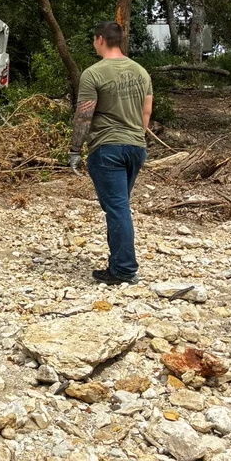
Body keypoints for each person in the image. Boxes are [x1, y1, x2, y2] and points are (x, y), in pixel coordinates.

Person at [70, 20, 153, 286]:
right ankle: (118, 263)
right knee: (119, 207)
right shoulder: (141, 72)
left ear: (100, 39)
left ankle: (124, 270)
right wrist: (136, 139)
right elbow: (146, 114)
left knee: (117, 209)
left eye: (94, 40)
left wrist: (74, 150)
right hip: (136, 147)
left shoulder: (94, 73)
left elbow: (84, 116)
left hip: (108, 149)